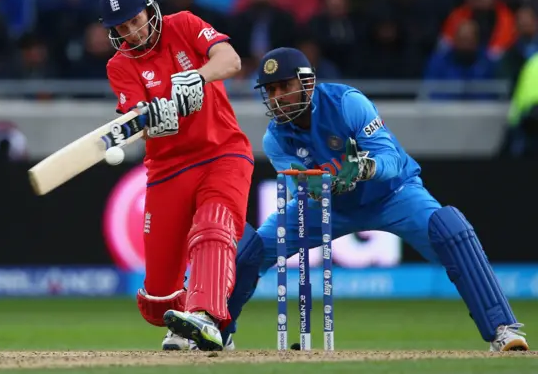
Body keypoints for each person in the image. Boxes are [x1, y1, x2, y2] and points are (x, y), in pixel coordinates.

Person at [221, 47, 529, 352]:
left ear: (307, 83)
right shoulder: (274, 138)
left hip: (393, 195)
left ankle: (501, 328)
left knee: (450, 231)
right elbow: (300, 191)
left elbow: (391, 159)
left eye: (284, 87)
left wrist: (367, 168)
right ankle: (219, 330)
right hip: (331, 208)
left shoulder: (346, 103)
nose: (277, 98)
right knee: (253, 248)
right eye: (271, 90)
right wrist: (316, 187)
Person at [99, 0, 253, 351]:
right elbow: (134, 115)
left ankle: (206, 317)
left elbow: (230, 60)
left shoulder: (182, 24)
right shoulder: (119, 65)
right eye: (120, 28)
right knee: (157, 300)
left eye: (135, 20)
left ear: (150, 9)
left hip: (222, 152)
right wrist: (151, 117)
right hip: (167, 170)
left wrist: (196, 78)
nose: (131, 33)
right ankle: (186, 320)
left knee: (213, 225)